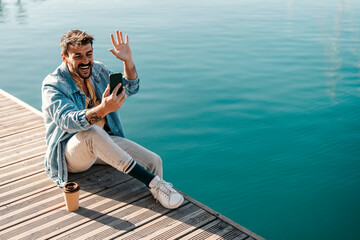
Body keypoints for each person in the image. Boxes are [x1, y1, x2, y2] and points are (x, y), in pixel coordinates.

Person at [41, 29, 184, 209]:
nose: (85, 61)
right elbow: (67, 121)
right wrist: (103, 109)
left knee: (154, 161)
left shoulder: (98, 70)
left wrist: (128, 61)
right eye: (77, 56)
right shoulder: (53, 85)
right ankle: (153, 183)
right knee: (91, 132)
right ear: (64, 57)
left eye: (89, 54)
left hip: (102, 141)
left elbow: (131, 88)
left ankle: (160, 193)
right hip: (70, 153)